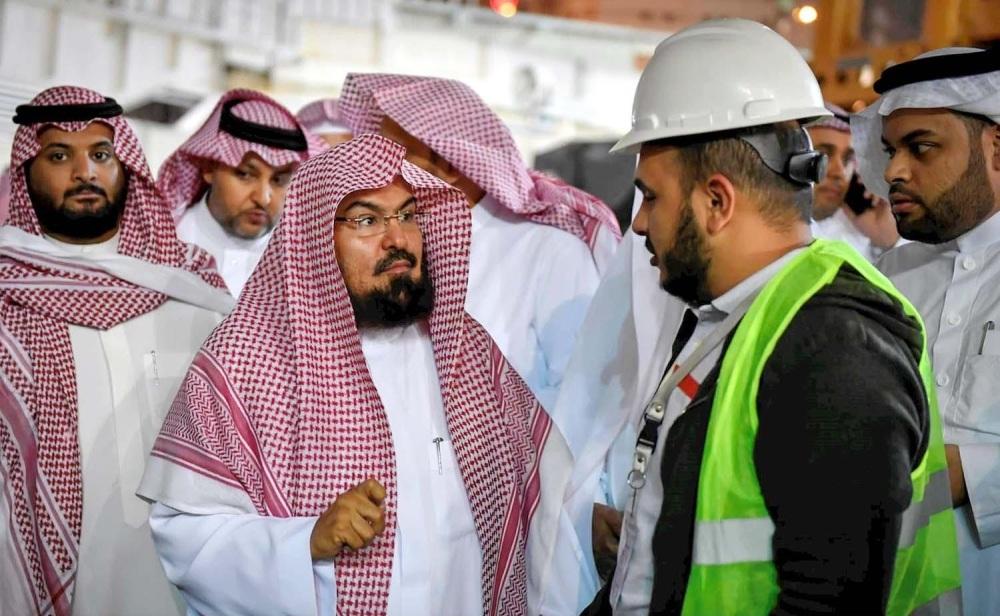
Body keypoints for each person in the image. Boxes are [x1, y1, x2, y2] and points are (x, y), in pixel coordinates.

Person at [581, 19, 960, 615]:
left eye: (651, 197)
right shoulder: (726, 318)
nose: (640, 223)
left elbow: (827, 599)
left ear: (716, 201)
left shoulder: (834, 343)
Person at [137, 134, 571, 616]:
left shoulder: (467, 350)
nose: (398, 240)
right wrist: (306, 541)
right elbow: (187, 535)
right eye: (367, 220)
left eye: (407, 215)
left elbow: (545, 493)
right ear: (316, 237)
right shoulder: (247, 360)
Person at [0, 85, 233, 616]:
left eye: (101, 154)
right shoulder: (7, 300)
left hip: (186, 584)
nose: (85, 171)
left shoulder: (195, 291)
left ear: (125, 163)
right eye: (59, 155)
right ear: (26, 173)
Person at [338, 74, 620, 410]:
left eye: (396, 159)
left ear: (448, 163)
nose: (381, 172)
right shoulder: (399, 248)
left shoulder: (547, 251)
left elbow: (582, 398)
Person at [855, 45, 1000, 615]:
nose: (893, 171)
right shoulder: (888, 278)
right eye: (891, 150)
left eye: (921, 148)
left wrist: (968, 475)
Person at [158, 89, 325, 296]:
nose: (263, 198)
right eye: (245, 175)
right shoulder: (158, 244)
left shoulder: (305, 269)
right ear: (209, 169)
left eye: (279, 180)